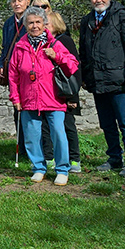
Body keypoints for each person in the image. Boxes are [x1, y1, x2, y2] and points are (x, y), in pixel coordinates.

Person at [80, 0, 125, 177]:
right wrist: (85, 75)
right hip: (98, 82)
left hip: (120, 81)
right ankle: (114, 158)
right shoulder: (87, 21)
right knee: (107, 124)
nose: (98, 0)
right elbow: (84, 51)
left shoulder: (121, 16)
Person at [8, 7, 79, 185]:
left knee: (58, 133)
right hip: (28, 99)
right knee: (32, 136)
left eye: (38, 22)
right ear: (25, 25)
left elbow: (73, 65)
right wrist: (15, 98)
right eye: (30, 22)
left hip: (53, 98)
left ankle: (62, 169)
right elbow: (13, 75)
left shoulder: (54, 44)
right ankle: (38, 168)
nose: (34, 26)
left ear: (44, 24)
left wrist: (57, 57)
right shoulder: (19, 47)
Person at [42, 12, 82, 173]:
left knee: (67, 126)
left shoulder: (64, 41)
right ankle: (50, 157)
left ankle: (74, 160)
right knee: (49, 127)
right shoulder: (43, 43)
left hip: (65, 92)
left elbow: (74, 69)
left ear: (56, 26)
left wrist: (72, 96)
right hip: (51, 93)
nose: (44, 28)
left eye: (47, 25)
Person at [0, 0, 30, 155]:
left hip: (29, 71)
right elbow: (5, 46)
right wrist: (0, 63)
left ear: (27, 2)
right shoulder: (9, 23)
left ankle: (35, 147)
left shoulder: (32, 20)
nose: (17, 4)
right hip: (13, 71)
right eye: (13, 1)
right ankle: (22, 147)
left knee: (30, 109)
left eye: (20, 0)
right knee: (18, 108)